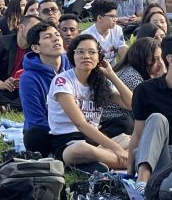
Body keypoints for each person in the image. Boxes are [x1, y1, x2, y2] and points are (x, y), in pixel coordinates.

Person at [48, 33, 133, 169]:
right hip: (68, 143)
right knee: (81, 149)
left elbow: (130, 104)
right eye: (80, 52)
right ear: (73, 56)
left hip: (94, 140)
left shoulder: (99, 82)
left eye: (92, 52)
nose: (86, 56)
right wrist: (117, 149)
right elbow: (81, 124)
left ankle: (102, 160)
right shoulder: (62, 81)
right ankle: (130, 162)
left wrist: (111, 75)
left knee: (129, 138)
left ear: (99, 58)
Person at [18, 22, 71, 157]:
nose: (56, 39)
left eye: (57, 35)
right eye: (48, 37)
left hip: (80, 127)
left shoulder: (74, 65)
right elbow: (36, 120)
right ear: (35, 48)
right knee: (35, 136)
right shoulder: (29, 78)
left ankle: (68, 153)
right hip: (50, 131)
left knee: (123, 122)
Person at [99, 37, 164, 139]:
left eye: (161, 58)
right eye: (155, 59)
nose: (160, 63)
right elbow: (135, 105)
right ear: (142, 59)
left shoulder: (143, 73)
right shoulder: (131, 74)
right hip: (113, 121)